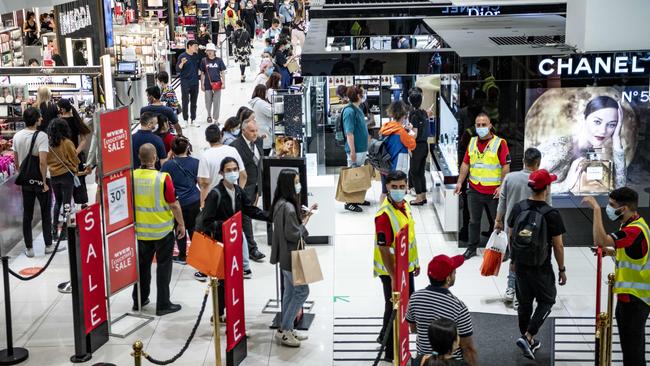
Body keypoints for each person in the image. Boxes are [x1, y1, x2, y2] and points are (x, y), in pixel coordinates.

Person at [583, 188, 650, 366]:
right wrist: (610, 251)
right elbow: (631, 252)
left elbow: (600, 239)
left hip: (634, 298)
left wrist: (596, 210)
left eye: (612, 205)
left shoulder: (634, 230)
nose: (608, 208)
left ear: (625, 208)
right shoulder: (634, 224)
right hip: (630, 296)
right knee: (631, 348)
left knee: (633, 354)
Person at [507, 169, 566, 360]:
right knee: (547, 300)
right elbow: (558, 245)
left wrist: (514, 259)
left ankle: (528, 341)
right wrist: (562, 269)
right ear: (546, 188)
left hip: (521, 265)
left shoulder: (518, 208)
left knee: (524, 304)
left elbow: (510, 235)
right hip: (541, 267)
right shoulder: (551, 214)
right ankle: (529, 335)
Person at [197, 157, 269, 295]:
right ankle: (219, 313)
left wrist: (270, 216)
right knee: (221, 282)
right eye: (229, 170)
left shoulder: (238, 191)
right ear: (221, 173)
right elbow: (206, 222)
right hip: (220, 242)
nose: (233, 173)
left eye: (235, 169)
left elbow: (250, 210)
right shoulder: (215, 194)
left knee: (233, 278)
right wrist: (225, 225)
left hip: (234, 240)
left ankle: (230, 311)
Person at [132, 144, 185, 316]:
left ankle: (139, 299)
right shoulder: (162, 178)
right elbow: (174, 204)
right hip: (162, 231)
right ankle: (163, 304)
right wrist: (181, 224)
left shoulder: (131, 176)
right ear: (154, 157)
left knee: (142, 267)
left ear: (140, 158)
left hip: (140, 232)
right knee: (163, 267)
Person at [373, 170, 419, 362]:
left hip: (405, 268)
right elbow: (384, 251)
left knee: (404, 306)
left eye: (402, 186)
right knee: (393, 307)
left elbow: (410, 239)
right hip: (391, 270)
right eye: (394, 187)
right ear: (387, 188)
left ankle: (384, 336)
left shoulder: (404, 205)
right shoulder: (384, 215)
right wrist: (393, 276)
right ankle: (390, 351)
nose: (399, 190)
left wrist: (415, 263)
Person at [494, 147, 548, 310]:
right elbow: (548, 204)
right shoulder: (542, 180)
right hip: (535, 228)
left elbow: (502, 201)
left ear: (524, 160)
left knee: (515, 258)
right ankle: (520, 293)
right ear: (537, 163)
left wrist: (498, 220)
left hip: (513, 226)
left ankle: (511, 289)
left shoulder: (510, 178)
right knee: (531, 262)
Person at [536, 95, 626, 193]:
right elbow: (528, 186)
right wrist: (564, 185)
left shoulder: (591, 153)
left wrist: (617, 138)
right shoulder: (560, 147)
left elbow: (619, 189)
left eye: (612, 125)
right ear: (584, 118)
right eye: (597, 122)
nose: (603, 131)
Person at [270, 169, 317, 347]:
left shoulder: (280, 204)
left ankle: (285, 329)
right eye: (296, 182)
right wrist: (306, 221)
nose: (299, 185)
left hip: (284, 257)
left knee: (289, 292)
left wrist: (305, 215)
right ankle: (286, 328)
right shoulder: (288, 208)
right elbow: (295, 234)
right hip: (292, 258)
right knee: (302, 292)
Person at [454, 113, 510, 260]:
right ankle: (472, 248)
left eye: (483, 125)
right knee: (473, 221)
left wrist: (502, 186)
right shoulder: (472, 142)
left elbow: (505, 166)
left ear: (490, 126)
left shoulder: (500, 143)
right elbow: (466, 163)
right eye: (478, 125)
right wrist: (460, 182)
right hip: (474, 190)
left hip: (494, 192)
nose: (480, 127)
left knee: (497, 221)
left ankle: (503, 250)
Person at [407, 255, 477, 365]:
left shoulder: (415, 297)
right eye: (454, 272)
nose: (455, 273)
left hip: (424, 360)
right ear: (448, 278)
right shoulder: (459, 307)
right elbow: (467, 347)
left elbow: (413, 328)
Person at [13, 107, 53, 257]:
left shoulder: (17, 136)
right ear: (36, 119)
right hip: (40, 180)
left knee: (27, 214)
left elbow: (17, 162)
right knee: (45, 212)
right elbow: (43, 162)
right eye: (40, 117)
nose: (42, 119)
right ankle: (48, 245)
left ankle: (29, 248)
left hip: (26, 181)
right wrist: (43, 182)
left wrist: (23, 174)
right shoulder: (41, 136)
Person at [231, 119, 266, 262]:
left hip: (256, 187)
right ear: (243, 130)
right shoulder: (235, 147)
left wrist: (259, 188)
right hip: (243, 189)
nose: (255, 134)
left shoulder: (257, 142)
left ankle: (247, 247)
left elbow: (259, 165)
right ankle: (252, 249)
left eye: (256, 130)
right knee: (246, 218)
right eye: (252, 131)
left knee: (248, 217)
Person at [161, 137, 200, 265]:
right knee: (193, 226)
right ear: (188, 147)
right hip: (194, 199)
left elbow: (163, 182)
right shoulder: (196, 162)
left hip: (177, 202)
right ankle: (197, 254)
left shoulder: (168, 165)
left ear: (172, 150)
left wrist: (168, 157)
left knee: (179, 227)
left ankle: (182, 255)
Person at [47, 119, 80, 242]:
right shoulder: (67, 143)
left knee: (57, 202)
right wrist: (76, 166)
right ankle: (65, 231)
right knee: (67, 204)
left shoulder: (49, 143)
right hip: (66, 175)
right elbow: (74, 158)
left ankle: (54, 230)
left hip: (54, 175)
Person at [197, 124, 246, 207]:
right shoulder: (232, 150)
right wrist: (239, 193)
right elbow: (243, 175)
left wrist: (203, 204)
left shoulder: (205, 156)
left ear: (206, 139)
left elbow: (205, 183)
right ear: (220, 136)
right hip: (233, 197)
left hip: (215, 200)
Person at [378, 101, 416, 201]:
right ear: (404, 116)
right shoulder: (401, 132)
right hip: (397, 168)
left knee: (384, 192)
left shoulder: (384, 127)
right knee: (397, 195)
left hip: (384, 166)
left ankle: (381, 214)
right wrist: (411, 132)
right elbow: (412, 145)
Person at [341, 85, 370, 212]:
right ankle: (349, 202)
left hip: (361, 149)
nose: (364, 95)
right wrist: (352, 151)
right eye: (362, 93)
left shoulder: (357, 108)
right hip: (355, 150)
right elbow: (349, 133)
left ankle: (358, 198)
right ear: (358, 96)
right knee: (353, 175)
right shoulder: (349, 111)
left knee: (359, 175)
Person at [407, 90, 430, 206]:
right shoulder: (424, 113)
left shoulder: (413, 115)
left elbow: (414, 133)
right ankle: (423, 196)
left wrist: (409, 145)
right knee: (421, 172)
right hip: (425, 145)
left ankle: (418, 198)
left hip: (416, 146)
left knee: (414, 172)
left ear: (410, 102)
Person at [200, 43, 227, 125]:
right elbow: (202, 73)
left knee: (216, 102)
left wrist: (224, 83)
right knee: (208, 101)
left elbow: (222, 72)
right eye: (208, 50)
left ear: (214, 51)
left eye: (211, 50)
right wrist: (202, 84)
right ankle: (208, 115)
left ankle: (216, 119)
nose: (210, 52)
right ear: (206, 51)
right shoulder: (204, 61)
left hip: (217, 83)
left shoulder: (219, 60)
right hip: (207, 84)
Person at [176, 40, 201, 127]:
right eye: (195, 46)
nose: (196, 48)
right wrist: (182, 63)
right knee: (185, 101)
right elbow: (178, 69)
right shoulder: (182, 56)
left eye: (197, 46)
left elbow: (200, 67)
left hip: (195, 82)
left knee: (194, 102)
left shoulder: (196, 56)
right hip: (185, 82)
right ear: (189, 46)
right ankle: (185, 119)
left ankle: (193, 119)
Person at [248, 84, 273, 155]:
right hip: (264, 132)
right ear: (262, 92)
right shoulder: (261, 103)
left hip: (260, 131)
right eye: (266, 92)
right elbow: (272, 113)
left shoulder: (255, 102)